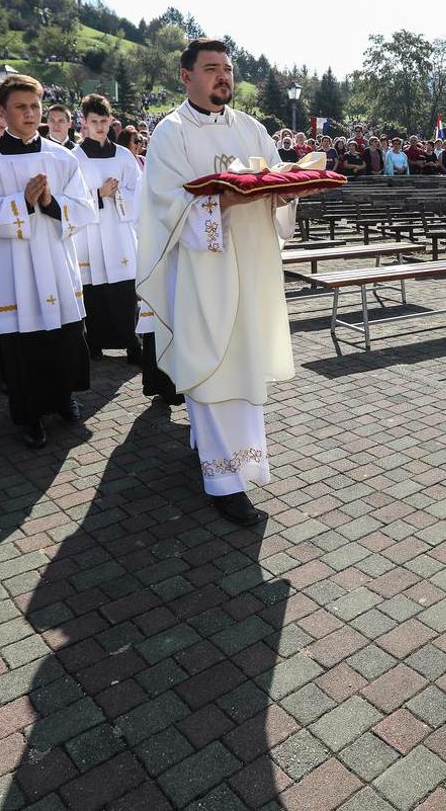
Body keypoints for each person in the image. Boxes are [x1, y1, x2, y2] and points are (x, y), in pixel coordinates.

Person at [136, 39, 297, 528]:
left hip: (252, 267)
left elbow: (278, 184)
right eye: (211, 68)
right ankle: (225, 482)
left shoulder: (252, 128)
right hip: (202, 273)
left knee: (242, 364)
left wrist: (289, 189)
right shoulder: (171, 133)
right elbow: (166, 204)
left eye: (227, 68)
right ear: (186, 76)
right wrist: (224, 199)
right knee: (210, 363)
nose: (223, 76)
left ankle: (215, 450)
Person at [0, 74, 94, 449]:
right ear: (2, 112)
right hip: (10, 270)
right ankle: (30, 416)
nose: (30, 113)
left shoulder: (61, 157)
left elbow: (85, 208)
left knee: (62, 338)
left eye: (35, 106)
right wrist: (22, 203)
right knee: (23, 347)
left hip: (54, 262)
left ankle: (63, 399)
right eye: (20, 107)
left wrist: (50, 203)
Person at [72, 94, 144, 361]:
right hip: (89, 235)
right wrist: (98, 195)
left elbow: (139, 190)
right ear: (84, 123)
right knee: (94, 291)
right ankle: (95, 343)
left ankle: (132, 344)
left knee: (124, 291)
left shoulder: (124, 156)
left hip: (118, 232)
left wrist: (120, 195)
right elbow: (69, 198)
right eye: (94, 122)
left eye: (103, 121)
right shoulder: (74, 158)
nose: (100, 127)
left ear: (110, 121)